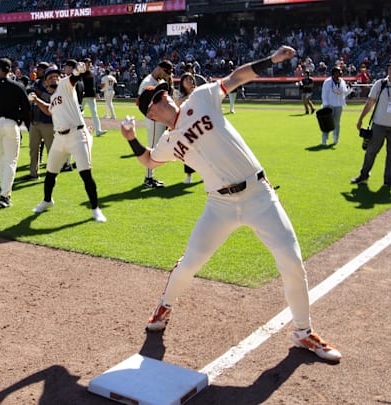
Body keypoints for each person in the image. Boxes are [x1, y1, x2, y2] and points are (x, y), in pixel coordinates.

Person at [120, 45, 341, 362]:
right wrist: (129, 137)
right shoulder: (167, 142)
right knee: (190, 263)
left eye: (165, 93)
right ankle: (164, 306)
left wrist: (271, 61)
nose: (165, 97)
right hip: (219, 206)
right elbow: (150, 162)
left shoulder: (200, 98)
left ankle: (303, 333)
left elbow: (236, 77)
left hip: (258, 195)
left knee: (292, 262)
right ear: (151, 114)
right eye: (157, 99)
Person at [29, 62, 107, 223]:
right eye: (50, 77)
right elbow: (49, 109)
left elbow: (74, 77)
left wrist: (79, 70)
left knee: (85, 173)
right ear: (45, 83)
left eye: (56, 75)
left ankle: (95, 209)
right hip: (59, 137)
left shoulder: (64, 85)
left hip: (77, 135)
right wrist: (36, 100)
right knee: (50, 173)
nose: (54, 78)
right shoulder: (53, 97)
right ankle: (47, 200)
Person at [352, 58, 391, 188]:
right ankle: (363, 175)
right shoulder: (380, 84)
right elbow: (370, 102)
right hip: (379, 124)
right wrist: (361, 119)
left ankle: (389, 180)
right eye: (389, 68)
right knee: (371, 151)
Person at [0, 57, 31, 208]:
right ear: (10, 70)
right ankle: (4, 195)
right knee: (11, 160)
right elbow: (27, 108)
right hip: (11, 123)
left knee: (2, 158)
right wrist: (18, 118)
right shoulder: (17, 86)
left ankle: (4, 189)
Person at [137, 60, 173, 188]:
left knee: (155, 148)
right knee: (152, 149)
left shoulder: (156, 81)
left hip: (158, 119)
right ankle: (148, 179)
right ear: (159, 68)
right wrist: (153, 118)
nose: (166, 76)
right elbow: (141, 104)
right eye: (165, 72)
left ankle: (150, 177)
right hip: (153, 120)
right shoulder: (148, 82)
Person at [26, 61, 54, 181]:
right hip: (35, 120)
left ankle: (52, 174)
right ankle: (33, 173)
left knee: (51, 149)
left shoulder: (52, 84)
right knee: (33, 148)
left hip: (48, 121)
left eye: (40, 70)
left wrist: (40, 94)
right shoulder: (36, 82)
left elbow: (53, 99)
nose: (37, 71)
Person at [319, 66, 353, 146]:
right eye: (339, 72)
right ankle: (324, 140)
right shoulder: (327, 82)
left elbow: (344, 93)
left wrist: (349, 89)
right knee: (327, 123)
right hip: (329, 105)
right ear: (334, 73)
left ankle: (335, 139)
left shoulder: (342, 82)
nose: (340, 73)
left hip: (339, 105)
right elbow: (324, 94)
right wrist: (325, 105)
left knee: (337, 123)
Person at [177, 72, 198, 184]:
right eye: (187, 80)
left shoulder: (199, 92)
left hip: (200, 124)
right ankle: (189, 176)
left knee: (205, 152)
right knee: (188, 153)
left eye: (191, 79)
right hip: (187, 127)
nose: (189, 81)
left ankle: (207, 174)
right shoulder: (181, 96)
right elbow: (178, 104)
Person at [81, 58, 106, 136]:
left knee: (95, 113)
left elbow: (94, 84)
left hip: (91, 96)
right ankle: (80, 131)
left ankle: (98, 130)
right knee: (80, 113)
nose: (89, 65)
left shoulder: (91, 73)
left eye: (90, 63)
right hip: (83, 96)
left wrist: (97, 93)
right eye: (87, 63)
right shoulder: (81, 73)